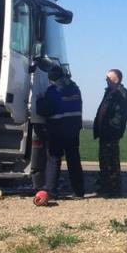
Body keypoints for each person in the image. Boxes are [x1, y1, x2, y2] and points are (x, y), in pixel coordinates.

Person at [34, 65, 85, 202]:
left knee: (54, 160)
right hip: (73, 130)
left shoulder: (53, 91)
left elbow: (44, 110)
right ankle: (79, 190)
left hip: (57, 130)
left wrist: (39, 99)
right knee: (74, 160)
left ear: (52, 78)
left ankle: (51, 190)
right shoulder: (75, 89)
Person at [93, 68, 127, 198]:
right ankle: (105, 186)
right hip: (104, 133)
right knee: (104, 161)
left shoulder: (121, 94)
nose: (106, 80)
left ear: (116, 79)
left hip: (111, 133)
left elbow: (120, 115)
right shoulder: (109, 92)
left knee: (111, 162)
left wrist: (111, 128)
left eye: (108, 78)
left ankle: (114, 189)